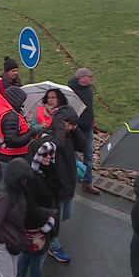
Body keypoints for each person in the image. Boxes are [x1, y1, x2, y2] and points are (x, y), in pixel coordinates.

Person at [46, 105, 85, 264]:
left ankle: (48, 231)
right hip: (55, 185)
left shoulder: (70, 134)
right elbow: (58, 145)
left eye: (74, 125)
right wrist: (61, 129)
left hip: (68, 183)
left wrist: (74, 129)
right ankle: (53, 243)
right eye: (69, 124)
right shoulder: (52, 136)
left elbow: (82, 146)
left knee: (65, 215)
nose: (71, 127)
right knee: (54, 216)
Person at [17, 142, 60, 277]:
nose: (48, 157)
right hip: (37, 226)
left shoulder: (51, 172)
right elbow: (31, 206)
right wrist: (49, 219)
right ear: (37, 156)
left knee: (26, 258)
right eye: (44, 154)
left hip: (45, 224)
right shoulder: (31, 178)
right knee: (36, 263)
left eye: (50, 154)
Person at [0, 158, 33, 277]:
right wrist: (7, 239)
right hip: (2, 244)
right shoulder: (4, 197)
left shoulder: (17, 192)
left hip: (11, 241)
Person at [68, 67, 100, 195]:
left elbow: (89, 107)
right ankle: (74, 176)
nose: (91, 78)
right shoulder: (71, 91)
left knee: (88, 156)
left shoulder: (88, 89)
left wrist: (93, 120)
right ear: (81, 78)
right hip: (76, 129)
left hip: (87, 129)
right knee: (72, 155)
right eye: (89, 76)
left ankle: (87, 182)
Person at [0, 87, 36, 172]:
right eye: (21, 101)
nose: (23, 104)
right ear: (15, 101)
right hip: (11, 158)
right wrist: (30, 134)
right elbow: (11, 141)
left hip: (14, 157)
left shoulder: (14, 113)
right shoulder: (11, 116)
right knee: (11, 184)